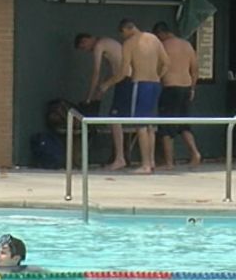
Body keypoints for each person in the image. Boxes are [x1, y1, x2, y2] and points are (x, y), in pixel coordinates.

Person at [98, 19, 168, 174]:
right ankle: (151, 161)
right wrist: (157, 76)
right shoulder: (154, 39)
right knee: (150, 125)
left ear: (126, 30)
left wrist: (108, 84)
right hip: (155, 84)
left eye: (122, 34)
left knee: (141, 125)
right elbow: (166, 62)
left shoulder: (129, 44)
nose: (123, 37)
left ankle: (145, 164)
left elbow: (124, 72)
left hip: (140, 84)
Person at [74, 32, 130, 170]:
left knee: (115, 119)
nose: (85, 49)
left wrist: (89, 96)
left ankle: (120, 158)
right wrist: (102, 89)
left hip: (126, 80)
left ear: (89, 39)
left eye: (84, 45)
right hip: (122, 80)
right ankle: (120, 156)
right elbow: (110, 71)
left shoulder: (99, 45)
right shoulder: (108, 44)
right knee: (116, 119)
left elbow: (96, 72)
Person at [151, 22, 202, 169]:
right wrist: (192, 88)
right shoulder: (186, 45)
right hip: (186, 87)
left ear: (161, 34)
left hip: (170, 87)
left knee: (166, 127)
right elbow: (195, 69)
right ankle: (195, 153)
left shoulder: (163, 46)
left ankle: (169, 162)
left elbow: (159, 67)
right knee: (184, 125)